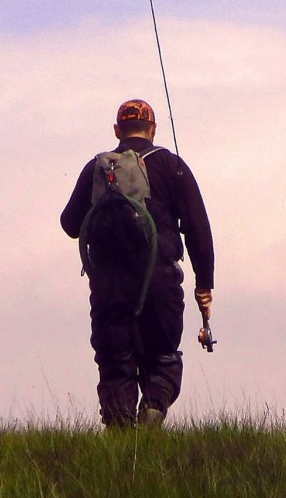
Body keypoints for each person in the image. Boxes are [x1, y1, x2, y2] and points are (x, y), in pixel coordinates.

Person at [60, 99, 215, 428]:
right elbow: (199, 230)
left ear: (117, 131)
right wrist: (204, 284)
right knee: (162, 359)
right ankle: (154, 408)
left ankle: (120, 444)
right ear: (153, 129)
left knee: (116, 366)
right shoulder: (171, 166)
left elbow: (70, 224)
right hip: (159, 284)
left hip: (108, 289)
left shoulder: (98, 168)